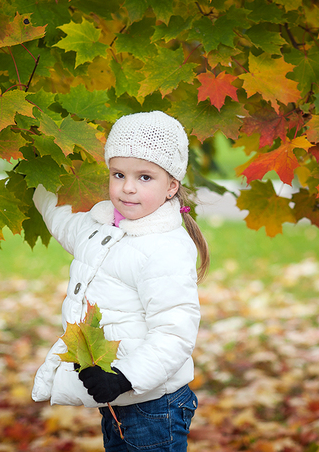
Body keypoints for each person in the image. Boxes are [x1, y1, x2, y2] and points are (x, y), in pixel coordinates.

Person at [30, 111, 209, 452]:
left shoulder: (164, 248)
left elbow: (174, 331)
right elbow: (62, 220)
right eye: (118, 174)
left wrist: (126, 377)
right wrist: (36, 174)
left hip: (154, 405)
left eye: (144, 177)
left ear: (171, 186)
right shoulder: (100, 228)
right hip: (117, 402)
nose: (128, 187)